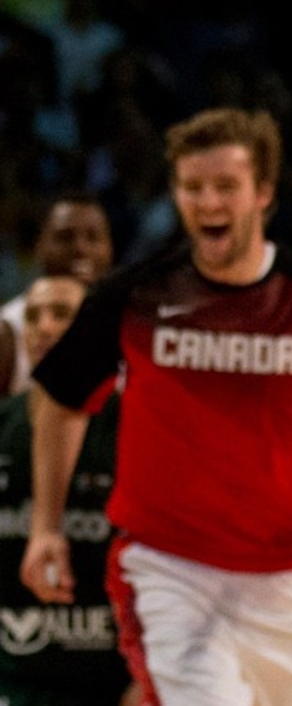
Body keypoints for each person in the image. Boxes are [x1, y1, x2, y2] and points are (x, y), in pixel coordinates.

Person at [17, 107, 292, 706]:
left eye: (226, 186)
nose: (207, 201)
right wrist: (46, 526)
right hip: (169, 568)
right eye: (192, 187)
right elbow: (61, 399)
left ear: (263, 194)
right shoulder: (137, 292)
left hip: (290, 574)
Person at [0, 275, 139, 706]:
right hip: (16, 675)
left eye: (61, 314)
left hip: (117, 678)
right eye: (32, 317)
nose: (43, 326)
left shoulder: (136, 427)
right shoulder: (4, 423)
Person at [0, 192, 114, 396]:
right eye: (65, 237)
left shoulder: (127, 324)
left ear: (109, 247)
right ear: (39, 245)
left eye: (93, 237)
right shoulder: (8, 331)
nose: (81, 248)